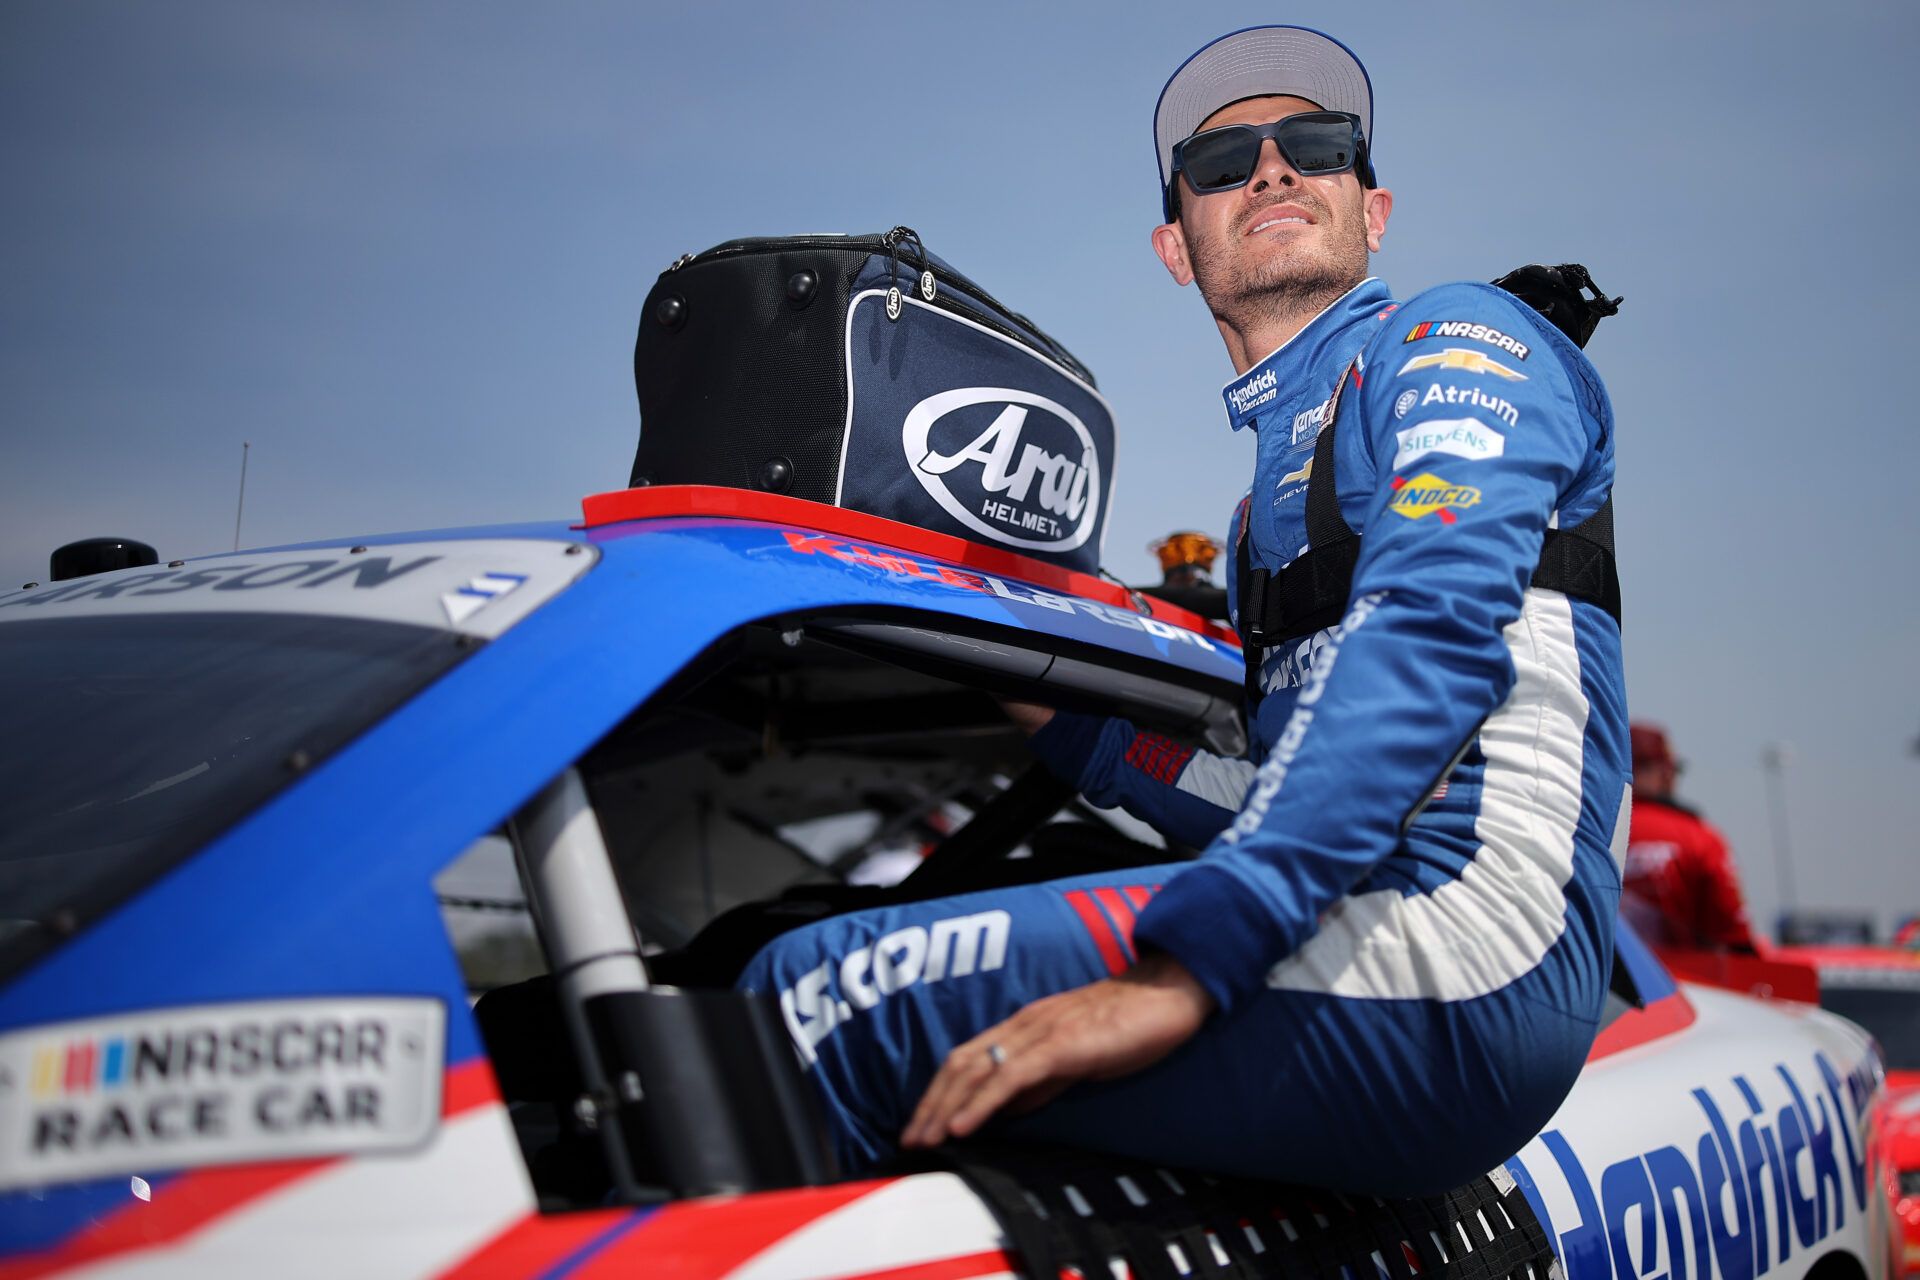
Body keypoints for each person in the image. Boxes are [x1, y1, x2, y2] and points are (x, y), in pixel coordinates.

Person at [739, 25, 1629, 1196]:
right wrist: (1063, 711)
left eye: (1318, 145)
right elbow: (1268, 786)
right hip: (1370, 922)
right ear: (1176, 247)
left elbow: (1430, 624)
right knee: (765, 962)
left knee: (811, 995)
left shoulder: (1454, 339)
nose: (1273, 169)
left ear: (1374, 210)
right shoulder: (1262, 517)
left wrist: (1194, 958)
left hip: (1477, 942)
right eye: (1221, 164)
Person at [1622, 723, 1760, 951]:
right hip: (1677, 972)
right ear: (1665, 772)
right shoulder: (1699, 837)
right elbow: (1735, 939)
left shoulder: (1585, 832)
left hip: (1594, 971)